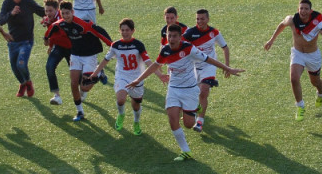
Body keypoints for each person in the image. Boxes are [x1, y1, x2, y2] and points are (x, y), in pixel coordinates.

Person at [126, 24, 244, 161]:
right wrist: (138, 79)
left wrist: (227, 68)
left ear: (180, 37)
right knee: (172, 118)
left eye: (174, 36)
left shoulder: (188, 49)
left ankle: (196, 108)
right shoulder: (165, 50)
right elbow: (155, 66)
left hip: (190, 90)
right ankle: (186, 151)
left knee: (188, 124)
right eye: (169, 36)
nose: (171, 39)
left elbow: (208, 59)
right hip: (174, 89)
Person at [263, 0, 322, 120]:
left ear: (310, 10)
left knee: (315, 82)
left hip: (313, 56)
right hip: (297, 54)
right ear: (298, 9)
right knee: (294, 78)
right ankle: (300, 106)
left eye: (306, 9)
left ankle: (321, 92)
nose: (303, 11)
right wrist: (271, 40)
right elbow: (282, 25)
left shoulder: (316, 23)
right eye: (301, 8)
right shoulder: (292, 20)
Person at [43, 1, 112, 122]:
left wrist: (112, 45)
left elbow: (99, 31)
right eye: (63, 13)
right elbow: (50, 30)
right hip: (75, 55)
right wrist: (46, 39)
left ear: (73, 12)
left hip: (89, 56)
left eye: (67, 13)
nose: (65, 16)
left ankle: (99, 72)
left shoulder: (82, 24)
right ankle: (80, 111)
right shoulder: (60, 24)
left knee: (84, 88)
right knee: (74, 83)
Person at [90, 19, 161, 134]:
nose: (125, 32)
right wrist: (95, 73)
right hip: (121, 76)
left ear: (133, 31)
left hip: (137, 78)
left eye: (127, 30)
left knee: (136, 105)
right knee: (121, 99)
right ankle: (121, 114)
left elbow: (148, 62)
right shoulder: (116, 45)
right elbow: (105, 60)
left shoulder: (138, 45)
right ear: (120, 31)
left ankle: (136, 122)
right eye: (122, 30)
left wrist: (160, 75)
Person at [183, 9, 230, 132]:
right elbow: (180, 48)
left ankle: (200, 121)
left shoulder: (214, 32)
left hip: (209, 66)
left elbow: (225, 48)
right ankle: (193, 110)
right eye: (197, 19)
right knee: (194, 94)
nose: (199, 21)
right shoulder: (189, 33)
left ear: (208, 19)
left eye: (202, 19)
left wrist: (227, 67)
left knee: (204, 91)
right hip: (193, 68)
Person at [0, 0, 45, 98]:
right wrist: (11, 13)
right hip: (12, 41)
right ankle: (23, 84)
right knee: (14, 68)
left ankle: (28, 82)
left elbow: (43, 12)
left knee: (21, 64)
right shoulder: (7, 3)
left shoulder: (28, 3)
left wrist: (49, 19)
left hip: (26, 41)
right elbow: (1, 21)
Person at [40, 0, 71, 105]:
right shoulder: (50, 20)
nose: (48, 13)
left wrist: (50, 25)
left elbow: (60, 33)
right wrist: (50, 45)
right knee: (49, 67)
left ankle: (96, 73)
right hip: (59, 47)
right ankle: (57, 96)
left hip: (71, 47)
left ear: (57, 10)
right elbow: (49, 39)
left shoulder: (63, 17)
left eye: (50, 11)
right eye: (46, 11)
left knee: (75, 73)